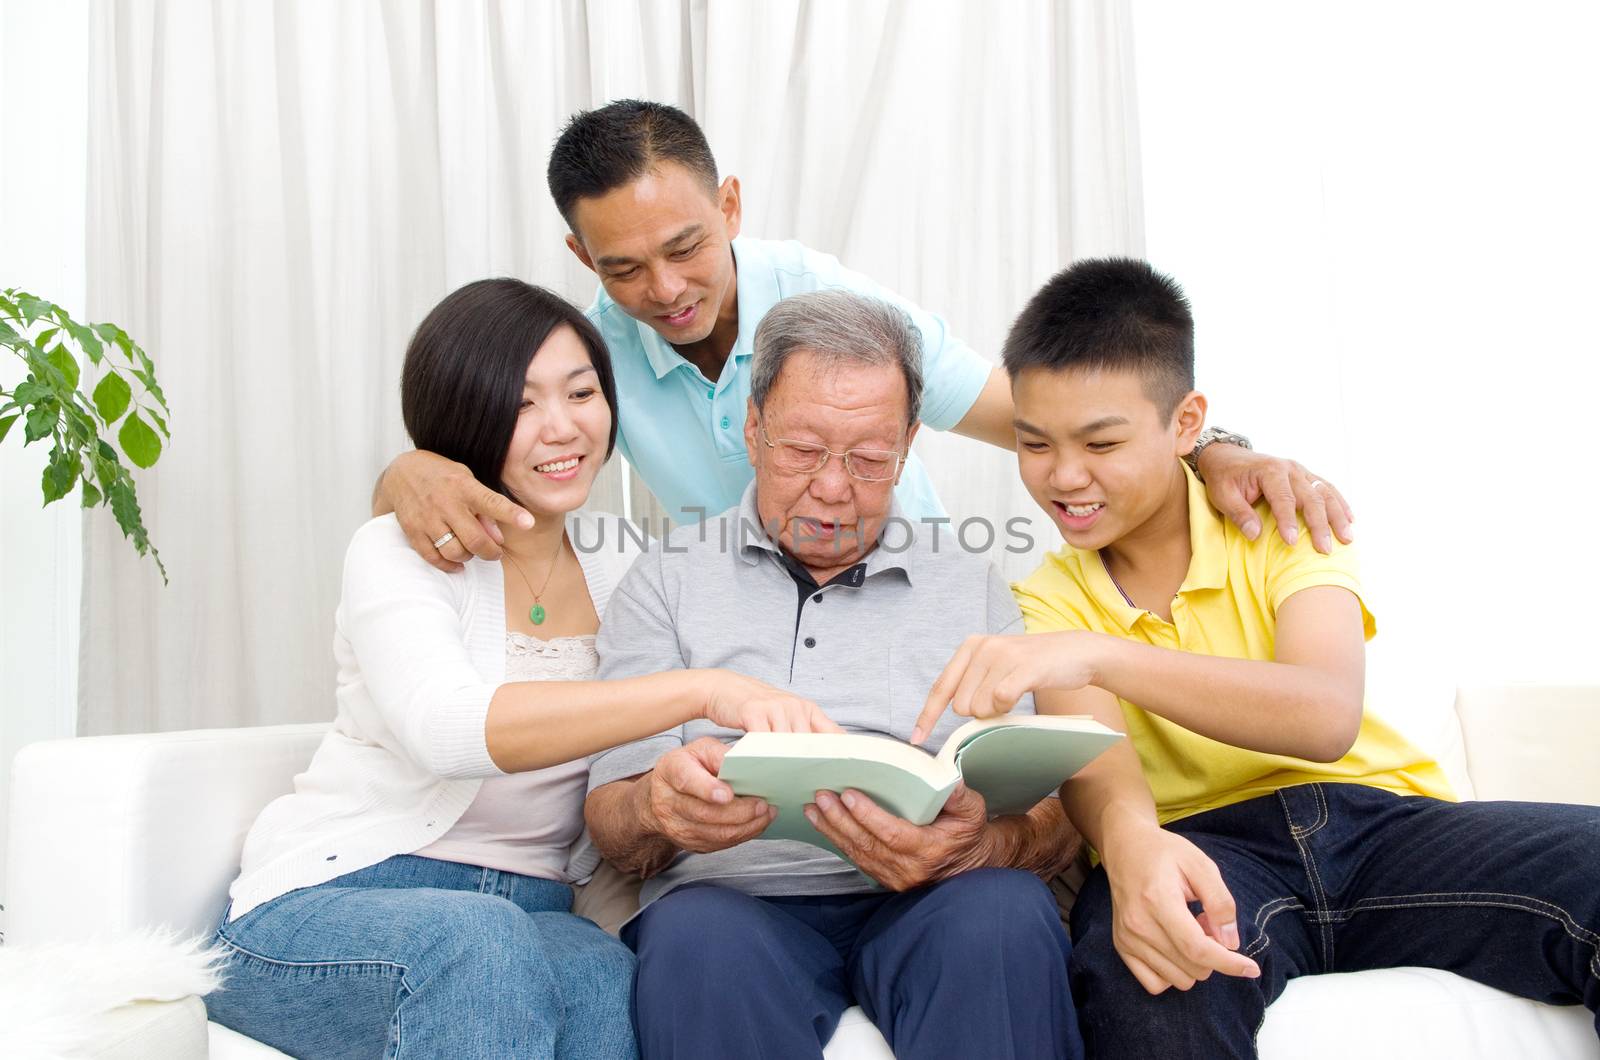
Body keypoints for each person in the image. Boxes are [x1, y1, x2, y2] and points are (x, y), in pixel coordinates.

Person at [913, 258, 1600, 1058]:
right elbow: (1105, 780)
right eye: (1033, 445)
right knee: (1146, 964)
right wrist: (1133, 851)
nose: (1064, 477)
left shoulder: (1280, 520)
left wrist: (1100, 656)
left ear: (1184, 423)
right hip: (1203, 849)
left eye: (1101, 442)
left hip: (1380, 827)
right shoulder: (1045, 601)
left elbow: (1323, 714)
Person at [205, 279, 838, 1060]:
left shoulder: (628, 562)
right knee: (478, 943)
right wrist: (703, 689)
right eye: (521, 404)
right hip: (340, 899)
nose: (562, 427)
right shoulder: (396, 552)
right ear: (465, 412)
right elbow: (450, 731)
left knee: (605, 978)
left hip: (536, 909)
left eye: (581, 393)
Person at [373, 99, 1353, 573]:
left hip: (904, 593)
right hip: (748, 628)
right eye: (624, 268)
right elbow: (500, 467)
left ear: (730, 205)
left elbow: (1040, 415)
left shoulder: (829, 300)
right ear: (582, 259)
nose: (665, 290)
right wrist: (403, 475)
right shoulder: (590, 358)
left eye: (687, 247)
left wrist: (1215, 450)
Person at [584, 289, 1084, 1060]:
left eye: (869, 458)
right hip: (734, 904)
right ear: (752, 429)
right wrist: (657, 808)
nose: (832, 487)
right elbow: (611, 819)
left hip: (933, 896)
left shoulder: (969, 583)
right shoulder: (665, 580)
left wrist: (977, 849)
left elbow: (1055, 814)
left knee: (1005, 916)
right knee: (694, 939)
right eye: (803, 450)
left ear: (910, 445)